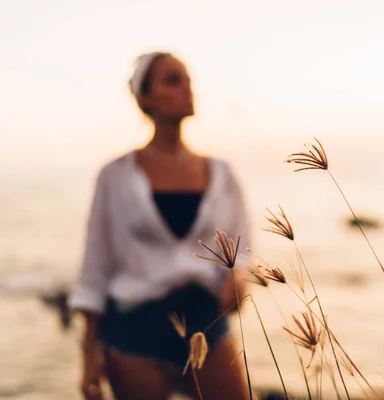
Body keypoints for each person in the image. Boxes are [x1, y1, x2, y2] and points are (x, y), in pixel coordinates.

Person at [68, 51, 252, 400]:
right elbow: (94, 268)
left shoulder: (222, 173)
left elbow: (241, 247)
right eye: (173, 80)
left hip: (205, 321)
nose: (187, 87)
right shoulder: (115, 176)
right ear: (145, 97)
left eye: (188, 79)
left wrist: (237, 277)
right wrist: (88, 355)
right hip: (135, 329)